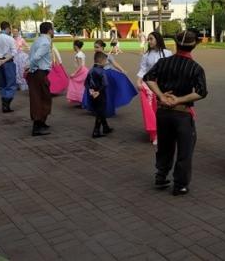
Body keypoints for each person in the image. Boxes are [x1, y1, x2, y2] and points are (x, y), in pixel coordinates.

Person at [144, 30, 208, 196]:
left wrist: (161, 95)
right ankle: (180, 184)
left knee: (164, 145)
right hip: (182, 113)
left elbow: (149, 78)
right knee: (185, 149)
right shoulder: (195, 68)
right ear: (194, 46)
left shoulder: (163, 62)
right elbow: (201, 92)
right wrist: (179, 100)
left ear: (175, 44)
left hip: (163, 112)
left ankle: (161, 175)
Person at [82, 39, 137, 117]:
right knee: (95, 92)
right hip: (98, 76)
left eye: (97, 47)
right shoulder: (96, 55)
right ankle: (96, 109)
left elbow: (115, 64)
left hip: (108, 76)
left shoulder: (108, 56)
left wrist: (122, 70)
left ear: (102, 47)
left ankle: (106, 110)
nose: (95, 49)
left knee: (106, 94)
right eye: (94, 47)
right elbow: (95, 65)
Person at [136, 32, 172, 145]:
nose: (149, 41)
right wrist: (138, 81)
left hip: (164, 85)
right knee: (151, 110)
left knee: (164, 109)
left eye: (151, 39)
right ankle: (155, 133)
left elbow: (171, 69)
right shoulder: (146, 55)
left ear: (158, 39)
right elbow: (143, 69)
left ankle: (165, 132)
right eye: (148, 39)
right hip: (150, 85)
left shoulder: (167, 53)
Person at [26, 22, 54, 136]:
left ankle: (41, 122)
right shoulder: (45, 42)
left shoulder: (37, 40)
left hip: (36, 73)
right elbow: (36, 57)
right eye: (53, 29)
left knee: (40, 98)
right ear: (49, 30)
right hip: (39, 73)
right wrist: (28, 66)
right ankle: (37, 125)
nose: (53, 32)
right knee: (41, 98)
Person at [84, 51, 114, 138]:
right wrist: (98, 91)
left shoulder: (90, 70)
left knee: (99, 110)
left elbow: (86, 83)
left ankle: (105, 127)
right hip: (100, 93)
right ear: (102, 61)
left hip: (93, 94)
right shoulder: (102, 71)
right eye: (105, 61)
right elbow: (105, 84)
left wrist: (91, 91)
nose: (106, 63)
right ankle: (96, 131)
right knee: (100, 111)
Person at [0, 21, 17, 113]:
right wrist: (4, 60)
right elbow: (14, 53)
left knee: (2, 84)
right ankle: (6, 104)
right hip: (7, 62)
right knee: (11, 83)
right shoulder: (10, 39)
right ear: (8, 28)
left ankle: (4, 104)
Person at [66, 40, 89, 104]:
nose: (73, 47)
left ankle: (79, 98)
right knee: (82, 86)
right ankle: (82, 100)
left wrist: (74, 73)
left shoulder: (78, 55)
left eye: (73, 45)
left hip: (81, 71)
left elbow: (80, 66)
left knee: (74, 82)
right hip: (84, 70)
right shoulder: (82, 53)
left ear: (76, 46)